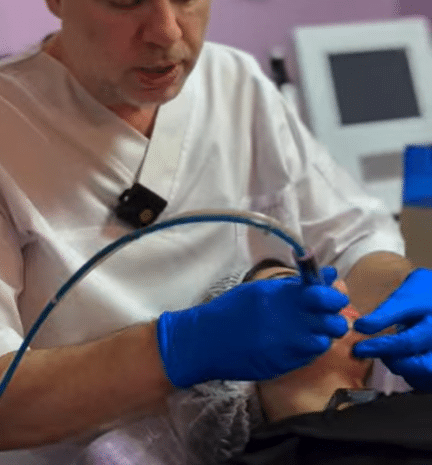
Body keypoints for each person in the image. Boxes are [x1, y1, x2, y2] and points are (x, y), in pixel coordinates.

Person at [0, 0, 428, 463]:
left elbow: (351, 239)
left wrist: (399, 292)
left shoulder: (234, 83)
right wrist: (178, 348)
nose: (166, 32)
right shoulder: (13, 127)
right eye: (126, 0)